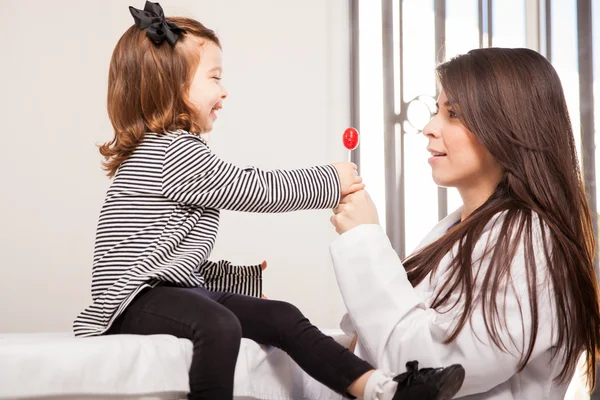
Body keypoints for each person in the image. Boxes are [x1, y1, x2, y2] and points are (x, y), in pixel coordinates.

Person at [73, 2, 465, 399]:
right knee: (217, 325)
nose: (224, 91)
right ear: (175, 86)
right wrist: (329, 181)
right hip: (131, 302)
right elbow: (251, 189)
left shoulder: (174, 151)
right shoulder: (169, 151)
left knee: (282, 315)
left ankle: (381, 389)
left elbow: (167, 251)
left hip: (163, 291)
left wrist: (231, 279)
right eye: (214, 78)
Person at [330, 47, 600, 399]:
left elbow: (425, 368)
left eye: (453, 113)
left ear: (507, 125)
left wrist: (365, 240)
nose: (429, 128)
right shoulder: (458, 231)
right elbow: (377, 346)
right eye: (436, 111)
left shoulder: (530, 242)